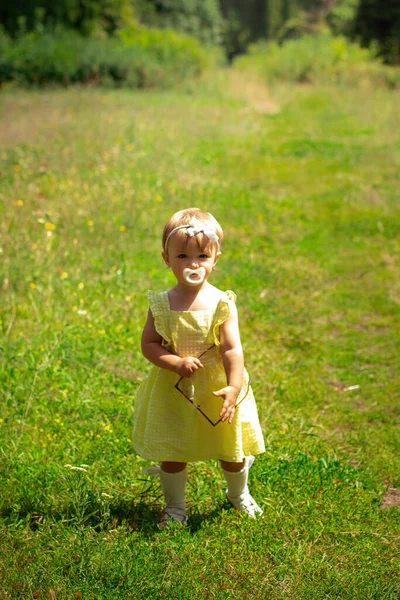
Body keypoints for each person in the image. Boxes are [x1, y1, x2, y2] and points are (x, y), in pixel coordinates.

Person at [132, 208, 265, 526]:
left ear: (215, 259)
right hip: (175, 389)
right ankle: (175, 507)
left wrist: (234, 388)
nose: (193, 264)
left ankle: (238, 494)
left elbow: (232, 349)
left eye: (202, 256)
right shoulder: (161, 304)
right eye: (182, 256)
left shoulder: (222, 302)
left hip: (219, 389)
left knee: (230, 450)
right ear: (166, 258)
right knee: (174, 450)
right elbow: (149, 344)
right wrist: (174, 362)